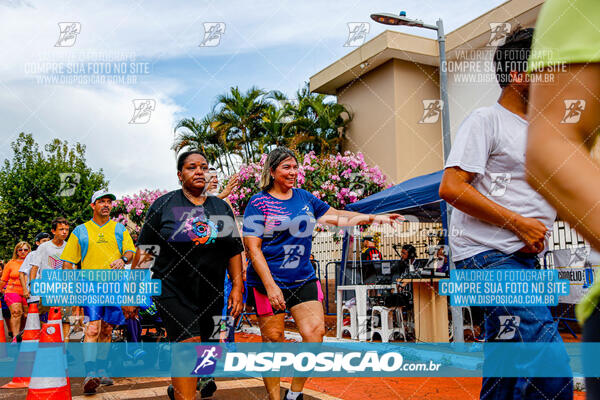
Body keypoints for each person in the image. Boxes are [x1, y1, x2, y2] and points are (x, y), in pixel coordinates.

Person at [438, 28, 572, 399]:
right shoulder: (487, 120)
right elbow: (451, 188)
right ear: (519, 75)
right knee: (548, 361)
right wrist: (520, 225)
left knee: (506, 364)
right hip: (487, 257)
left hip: (524, 262)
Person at [242, 147, 403, 400]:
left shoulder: (305, 198)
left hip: (303, 276)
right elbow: (253, 247)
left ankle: (294, 394)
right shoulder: (258, 202)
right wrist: (271, 286)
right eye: (286, 167)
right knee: (273, 341)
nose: (293, 172)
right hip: (268, 280)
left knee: (315, 333)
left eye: (295, 167)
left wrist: (374, 218)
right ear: (272, 172)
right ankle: (274, 398)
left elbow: (338, 216)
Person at [524, 0, 600, 395]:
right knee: (532, 352)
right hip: (497, 259)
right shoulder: (483, 125)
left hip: (532, 256)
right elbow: (550, 150)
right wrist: (517, 223)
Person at [130, 150, 243, 400]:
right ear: (180, 175)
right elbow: (146, 250)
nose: (200, 171)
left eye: (204, 166)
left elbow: (233, 250)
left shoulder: (220, 207)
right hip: (172, 290)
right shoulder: (164, 205)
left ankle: (182, 386)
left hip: (211, 291)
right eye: (192, 167)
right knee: (187, 347)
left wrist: (237, 287)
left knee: (209, 352)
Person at [61, 190, 136, 394]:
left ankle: (101, 368)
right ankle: (90, 372)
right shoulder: (80, 231)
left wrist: (124, 259)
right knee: (92, 328)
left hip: (114, 285)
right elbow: (68, 262)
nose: (106, 205)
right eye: (101, 201)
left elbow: (130, 251)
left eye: (108, 202)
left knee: (107, 330)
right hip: (89, 285)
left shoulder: (119, 229)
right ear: (92, 206)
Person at [26, 218, 70, 335]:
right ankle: (47, 345)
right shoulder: (44, 247)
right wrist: (32, 283)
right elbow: (35, 267)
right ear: (53, 231)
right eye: (61, 229)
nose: (64, 232)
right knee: (46, 319)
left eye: (66, 229)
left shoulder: (69, 247)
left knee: (65, 320)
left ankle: (64, 349)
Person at [0, 242, 31, 342]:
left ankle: (23, 335)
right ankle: (15, 337)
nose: (23, 252)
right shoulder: (11, 263)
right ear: (16, 252)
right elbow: (3, 280)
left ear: (29, 251)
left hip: (28, 292)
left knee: (26, 315)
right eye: (20, 250)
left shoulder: (33, 262)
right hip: (12, 291)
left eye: (25, 250)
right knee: (16, 312)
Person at [19, 232, 51, 316]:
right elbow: (22, 273)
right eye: (44, 241)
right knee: (35, 317)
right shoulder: (32, 255)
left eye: (48, 241)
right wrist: (25, 290)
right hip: (34, 294)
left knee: (48, 318)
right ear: (37, 243)